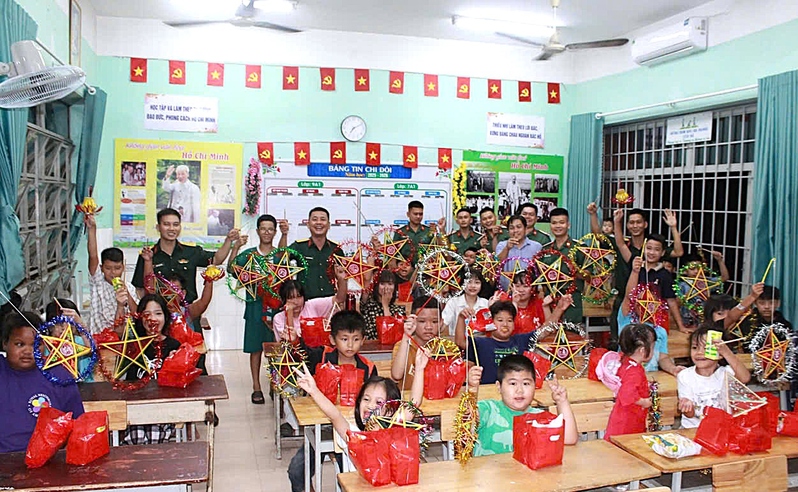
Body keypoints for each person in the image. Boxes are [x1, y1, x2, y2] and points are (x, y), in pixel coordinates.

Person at [291, 356, 427, 492]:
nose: (370, 406)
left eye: (379, 402)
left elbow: (413, 404)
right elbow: (334, 415)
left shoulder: (395, 430)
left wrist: (420, 369)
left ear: (391, 411)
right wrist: (314, 391)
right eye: (366, 399)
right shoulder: (355, 435)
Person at [588, 205, 685, 337]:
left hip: (650, 310)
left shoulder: (653, 245)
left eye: (638, 222)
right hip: (624, 302)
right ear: (627, 225)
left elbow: (678, 252)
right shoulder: (627, 249)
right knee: (621, 339)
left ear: (645, 224)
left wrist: (673, 227)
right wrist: (610, 220)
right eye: (631, 222)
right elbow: (604, 238)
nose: (635, 225)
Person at [0, 311, 84, 453]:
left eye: (36, 345)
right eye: (19, 344)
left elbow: (78, 423)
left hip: (50, 458)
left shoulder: (59, 376)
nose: (28, 351)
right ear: (5, 344)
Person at [467, 355, 578, 456]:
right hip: (489, 471)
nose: (519, 390)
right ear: (499, 387)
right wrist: (472, 389)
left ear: (535, 386)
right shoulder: (489, 409)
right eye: (513, 383)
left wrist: (562, 401)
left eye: (526, 383)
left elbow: (569, 439)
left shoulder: (540, 417)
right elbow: (466, 422)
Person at [227, 215, 285, 403]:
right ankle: (256, 387)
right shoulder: (249, 255)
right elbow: (231, 269)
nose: (267, 232)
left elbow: (285, 269)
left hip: (275, 310)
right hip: (254, 308)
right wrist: (236, 247)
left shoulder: (278, 254)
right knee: (255, 349)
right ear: (258, 231)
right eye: (263, 228)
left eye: (270, 229)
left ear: (275, 232)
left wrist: (285, 235)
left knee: (276, 349)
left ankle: (274, 384)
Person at [132, 208, 237, 305]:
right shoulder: (147, 256)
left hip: (187, 311)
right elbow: (140, 289)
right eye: (166, 224)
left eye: (176, 224)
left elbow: (217, 259)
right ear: (158, 227)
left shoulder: (191, 252)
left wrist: (228, 240)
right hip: (160, 313)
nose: (172, 228)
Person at [122, 294, 186, 445]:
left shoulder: (174, 345)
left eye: (158, 313)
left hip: (164, 407)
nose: (153, 319)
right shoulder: (133, 345)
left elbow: (179, 385)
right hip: (136, 408)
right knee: (136, 435)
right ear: (140, 318)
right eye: (147, 314)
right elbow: (125, 381)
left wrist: (175, 363)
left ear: (165, 317)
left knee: (155, 433)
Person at [456, 299, 569, 384]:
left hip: (516, 394)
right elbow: (460, 342)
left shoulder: (522, 340)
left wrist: (559, 309)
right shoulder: (480, 343)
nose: (505, 324)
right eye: (500, 320)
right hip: (488, 394)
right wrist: (461, 318)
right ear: (491, 322)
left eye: (509, 320)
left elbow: (545, 330)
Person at [618, 257, 684, 376]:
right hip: (627, 374)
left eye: (651, 303)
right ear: (635, 304)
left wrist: (672, 369)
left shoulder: (660, 331)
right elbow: (628, 296)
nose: (647, 307)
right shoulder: (627, 319)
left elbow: (663, 358)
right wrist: (635, 272)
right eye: (642, 302)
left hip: (651, 375)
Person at [677, 325, 751, 428]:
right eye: (694, 348)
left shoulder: (726, 372)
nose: (699, 352)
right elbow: (690, 415)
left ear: (720, 354)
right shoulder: (685, 376)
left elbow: (745, 378)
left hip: (722, 428)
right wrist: (686, 407)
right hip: (694, 429)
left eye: (706, 348)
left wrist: (726, 352)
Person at [617, 230, 687, 332]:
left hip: (652, 318)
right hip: (630, 315)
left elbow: (671, 301)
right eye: (648, 248)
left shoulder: (665, 274)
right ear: (643, 248)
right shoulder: (635, 265)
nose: (651, 253)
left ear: (663, 252)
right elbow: (629, 295)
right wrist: (635, 271)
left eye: (657, 249)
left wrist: (680, 326)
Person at [85, 214, 138, 334]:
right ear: (101, 268)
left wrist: (127, 294)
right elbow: (93, 255)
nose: (113, 273)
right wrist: (92, 229)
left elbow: (136, 313)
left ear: (123, 268)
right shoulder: (98, 282)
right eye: (108, 268)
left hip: (122, 338)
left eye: (117, 268)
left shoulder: (129, 287)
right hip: (98, 336)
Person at [604, 324, 657, 441]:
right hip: (628, 422)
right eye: (653, 347)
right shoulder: (635, 371)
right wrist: (643, 402)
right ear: (643, 350)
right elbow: (626, 395)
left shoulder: (625, 361)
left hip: (623, 419)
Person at [272, 266, 348, 342]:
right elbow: (289, 342)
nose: (295, 302)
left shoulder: (312, 305)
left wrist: (342, 279)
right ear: (283, 300)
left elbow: (339, 299)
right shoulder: (278, 318)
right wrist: (289, 312)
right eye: (291, 298)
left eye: (299, 296)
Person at [279, 207, 338, 300]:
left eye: (323, 219)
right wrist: (284, 234)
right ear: (308, 224)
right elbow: (281, 256)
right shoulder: (299, 246)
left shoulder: (336, 249)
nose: (319, 222)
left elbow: (343, 277)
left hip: (330, 301)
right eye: (314, 219)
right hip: (305, 302)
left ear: (329, 225)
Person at [540, 208, 584, 324]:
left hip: (571, 301)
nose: (558, 226)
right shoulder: (545, 249)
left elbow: (588, 276)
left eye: (562, 222)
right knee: (549, 333)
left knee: (570, 333)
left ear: (568, 225)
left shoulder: (579, 248)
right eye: (554, 223)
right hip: (550, 301)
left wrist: (574, 270)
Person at [390, 296, 442, 391]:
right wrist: (406, 335)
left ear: (441, 323)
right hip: (409, 398)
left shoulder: (445, 347)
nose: (428, 327)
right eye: (422, 321)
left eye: (434, 322)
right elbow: (396, 375)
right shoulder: (403, 345)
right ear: (413, 320)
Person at [44, 299, 93, 381]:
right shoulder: (44, 345)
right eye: (59, 323)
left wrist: (82, 328)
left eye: (71, 322)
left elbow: (93, 351)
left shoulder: (81, 342)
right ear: (50, 326)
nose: (65, 327)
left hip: (84, 386)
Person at [495, 216, 542, 291]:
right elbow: (497, 265)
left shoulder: (536, 247)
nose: (515, 231)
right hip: (506, 291)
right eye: (511, 228)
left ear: (525, 229)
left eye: (519, 227)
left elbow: (540, 272)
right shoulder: (502, 245)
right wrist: (507, 248)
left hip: (529, 292)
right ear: (508, 231)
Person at [360, 270, 406, 341]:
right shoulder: (368, 306)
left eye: (390, 284)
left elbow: (391, 334)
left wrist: (385, 306)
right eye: (382, 284)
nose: (386, 287)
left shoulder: (399, 310)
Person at [442, 272, 489, 336]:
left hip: (480, 340)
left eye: (477, 282)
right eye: (469, 282)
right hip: (457, 340)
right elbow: (443, 325)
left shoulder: (486, 303)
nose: (473, 286)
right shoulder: (453, 302)